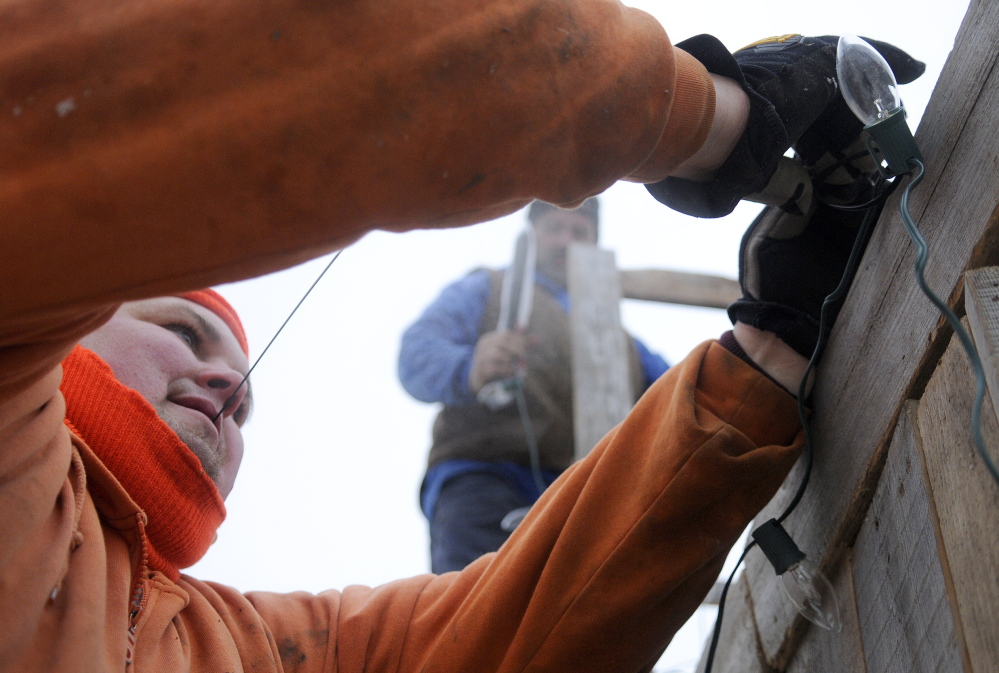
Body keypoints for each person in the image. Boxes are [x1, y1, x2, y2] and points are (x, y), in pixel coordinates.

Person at [0, 1, 923, 668]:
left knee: (515, 565)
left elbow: (511, 626)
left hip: (560, 466)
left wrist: (765, 349)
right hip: (479, 462)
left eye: (244, 383)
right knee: (476, 540)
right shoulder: (487, 291)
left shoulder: (240, 647)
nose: (229, 388)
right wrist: (715, 117)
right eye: (182, 330)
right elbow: (418, 351)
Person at [399, 197, 670, 573]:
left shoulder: (616, 338)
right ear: (532, 234)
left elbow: (678, 394)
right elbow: (415, 352)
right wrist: (468, 367)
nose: (564, 240)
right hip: (484, 479)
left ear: (594, 244)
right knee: (477, 619)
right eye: (554, 228)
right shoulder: (487, 287)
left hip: (584, 502)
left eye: (579, 232)